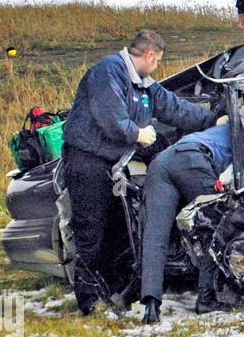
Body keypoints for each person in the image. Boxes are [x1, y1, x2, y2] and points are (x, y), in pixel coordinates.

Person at [60, 31, 217, 314]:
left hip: (113, 163)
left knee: (117, 230)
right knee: (91, 229)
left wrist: (214, 119)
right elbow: (110, 116)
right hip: (87, 161)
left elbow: (173, 107)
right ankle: (88, 301)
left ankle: (112, 293)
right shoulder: (109, 71)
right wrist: (137, 133)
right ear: (149, 55)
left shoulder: (142, 83)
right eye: (157, 62)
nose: (156, 68)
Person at [138, 122, 233, 325]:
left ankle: (151, 305)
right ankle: (207, 298)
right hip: (192, 158)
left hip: (162, 162)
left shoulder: (215, 130)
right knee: (216, 225)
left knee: (155, 234)